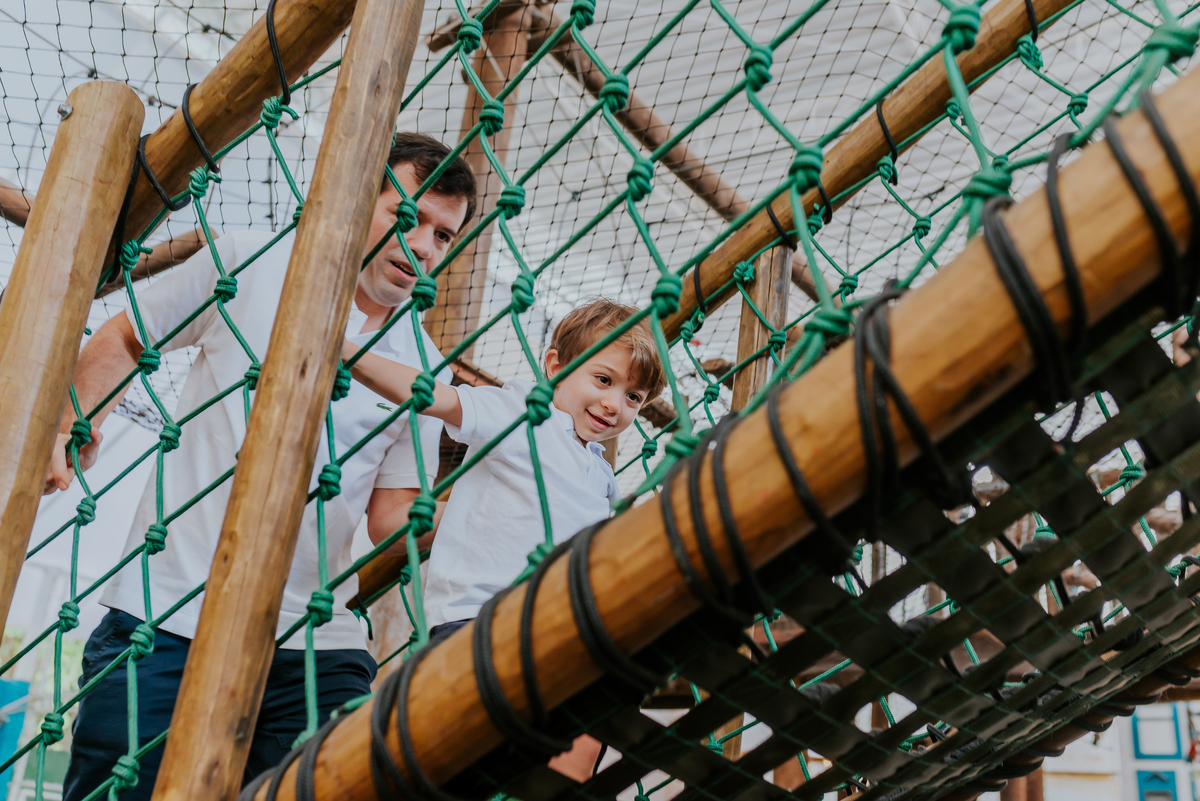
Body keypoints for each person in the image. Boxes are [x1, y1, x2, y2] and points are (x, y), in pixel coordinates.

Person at [44, 133, 476, 801]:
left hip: (312, 635)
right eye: (409, 216)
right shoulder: (253, 260)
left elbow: (395, 513)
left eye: (444, 236)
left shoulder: (422, 364)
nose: (424, 247)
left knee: (351, 780)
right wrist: (77, 414)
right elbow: (129, 335)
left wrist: (497, 515)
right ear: (361, 199)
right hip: (168, 609)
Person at [342, 298, 664, 780]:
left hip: (553, 636)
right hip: (478, 628)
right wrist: (345, 352)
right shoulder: (521, 412)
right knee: (453, 766)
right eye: (603, 380)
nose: (614, 405)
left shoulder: (602, 475)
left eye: (634, 397)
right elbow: (431, 395)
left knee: (593, 710)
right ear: (555, 366)